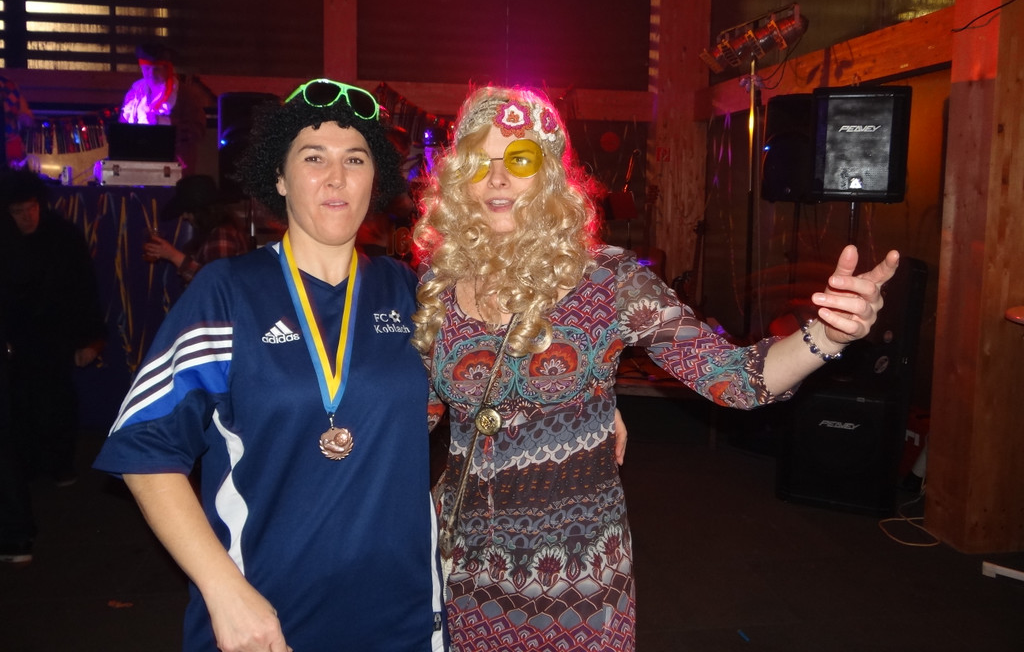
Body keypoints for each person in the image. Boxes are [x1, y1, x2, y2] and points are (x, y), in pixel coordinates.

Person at [410, 85, 900, 651]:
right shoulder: (435, 286)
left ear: (548, 173)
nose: (497, 179)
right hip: (465, 563)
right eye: (480, 161)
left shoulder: (609, 281)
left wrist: (827, 336)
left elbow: (734, 378)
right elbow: (412, 417)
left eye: (519, 160)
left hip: (576, 576)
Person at [94, 78, 447, 652]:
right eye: (314, 157)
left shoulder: (407, 291)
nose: (337, 177)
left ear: (374, 178)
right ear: (279, 178)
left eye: (355, 159)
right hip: (264, 621)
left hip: (402, 616)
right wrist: (223, 591)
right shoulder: (229, 292)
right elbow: (144, 449)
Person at [0, 168, 105, 555]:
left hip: (55, 335)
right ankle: (29, 466)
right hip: (15, 339)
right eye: (17, 211)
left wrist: (90, 338)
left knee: (56, 398)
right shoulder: (6, 240)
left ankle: (59, 462)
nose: (26, 216)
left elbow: (84, 289)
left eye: (31, 208)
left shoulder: (62, 237)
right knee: (19, 405)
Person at [120, 41, 213, 173]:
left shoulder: (183, 94)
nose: (151, 73)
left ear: (167, 69)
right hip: (140, 161)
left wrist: (163, 123)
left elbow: (198, 128)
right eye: (147, 69)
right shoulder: (135, 93)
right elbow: (123, 126)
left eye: (156, 69)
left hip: (174, 164)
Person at [144, 174, 251, 285]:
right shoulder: (220, 232)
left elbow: (216, 284)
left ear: (201, 212)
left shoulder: (222, 236)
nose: (184, 216)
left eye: (187, 211)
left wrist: (173, 255)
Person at [1, 75, 34, 167]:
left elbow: (27, 120)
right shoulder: (9, 86)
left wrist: (24, 117)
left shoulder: (8, 86)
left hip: (11, 144)